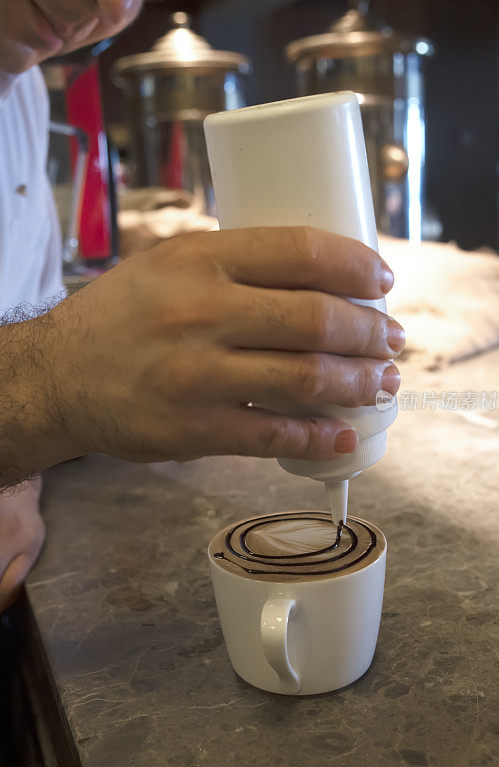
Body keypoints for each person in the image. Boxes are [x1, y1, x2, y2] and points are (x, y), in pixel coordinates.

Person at [0, 1, 405, 610]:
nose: (111, 7)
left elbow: (19, 314)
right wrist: (50, 385)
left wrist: (18, 465)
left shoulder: (23, 88)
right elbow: (33, 367)